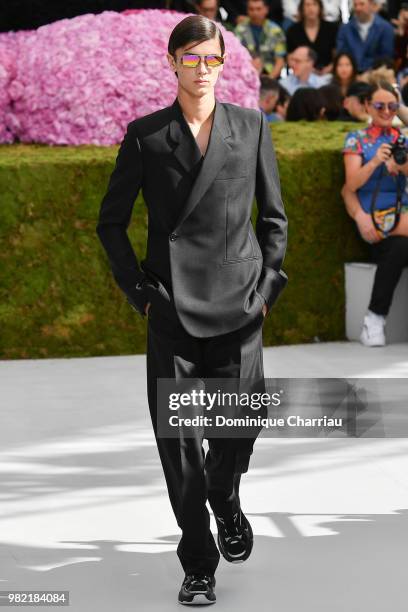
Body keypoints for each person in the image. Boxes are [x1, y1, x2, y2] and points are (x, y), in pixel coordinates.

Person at [96, 13, 288, 606]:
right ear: (171, 61)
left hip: (239, 308)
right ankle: (198, 560)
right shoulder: (147, 135)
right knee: (178, 444)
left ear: (223, 64)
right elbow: (111, 225)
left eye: (212, 59)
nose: (201, 70)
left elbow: (274, 220)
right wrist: (143, 297)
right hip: (173, 310)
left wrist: (265, 293)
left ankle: (226, 498)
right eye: (190, 58)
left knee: (237, 428)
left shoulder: (252, 127)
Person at [341, 80, 408, 346]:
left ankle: (374, 318)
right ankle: (374, 320)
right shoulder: (356, 139)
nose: (386, 111)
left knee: (402, 247)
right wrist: (376, 162)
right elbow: (351, 185)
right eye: (379, 105)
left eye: (392, 106)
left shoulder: (402, 137)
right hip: (375, 220)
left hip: (401, 221)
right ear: (367, 105)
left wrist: (401, 167)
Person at [336, 0, 395, 73]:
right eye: (355, 5)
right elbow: (342, 54)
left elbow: (386, 58)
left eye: (362, 4)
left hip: (376, 75)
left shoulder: (386, 28)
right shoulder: (345, 29)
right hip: (350, 75)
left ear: (372, 5)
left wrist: (369, 73)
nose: (358, 8)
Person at [234, 0, 287, 78]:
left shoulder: (276, 31)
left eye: (258, 9)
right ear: (247, 10)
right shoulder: (239, 30)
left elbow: (280, 60)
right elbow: (235, 58)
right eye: (251, 9)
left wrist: (270, 79)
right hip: (245, 75)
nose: (255, 13)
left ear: (266, 10)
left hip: (270, 76)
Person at [286, 0, 339, 74]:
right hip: (301, 74)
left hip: (327, 74)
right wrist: (306, 70)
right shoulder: (293, 31)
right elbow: (290, 58)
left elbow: (337, 56)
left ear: (320, 8)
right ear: (302, 9)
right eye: (307, 5)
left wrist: (328, 69)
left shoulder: (332, 29)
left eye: (314, 4)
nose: (311, 8)